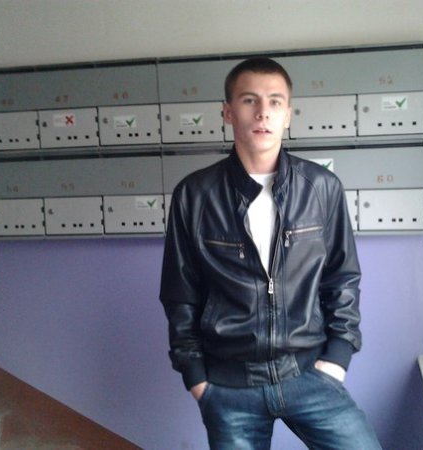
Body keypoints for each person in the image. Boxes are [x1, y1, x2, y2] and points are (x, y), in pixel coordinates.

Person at [159, 57, 381, 450]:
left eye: (275, 102)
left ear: (288, 114)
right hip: (229, 387)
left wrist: (337, 357)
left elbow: (342, 277)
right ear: (228, 112)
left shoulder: (321, 188)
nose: (263, 112)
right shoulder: (194, 195)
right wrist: (196, 377)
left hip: (309, 375)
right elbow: (180, 293)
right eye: (249, 100)